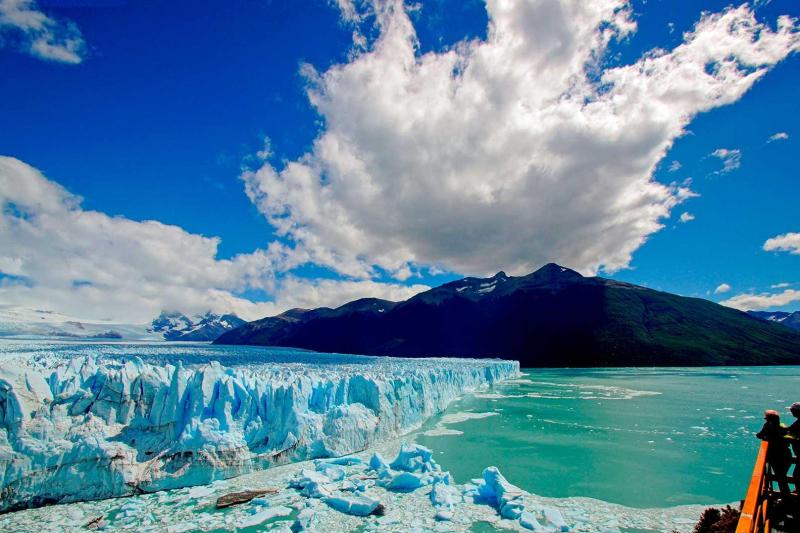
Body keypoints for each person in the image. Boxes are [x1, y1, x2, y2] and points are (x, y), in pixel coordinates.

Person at [756, 409, 791, 498]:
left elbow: (759, 435)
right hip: (786, 454)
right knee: (782, 477)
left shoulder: (768, 426)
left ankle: (785, 498)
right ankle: (786, 496)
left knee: (780, 477)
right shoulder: (783, 427)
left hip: (775, 456)